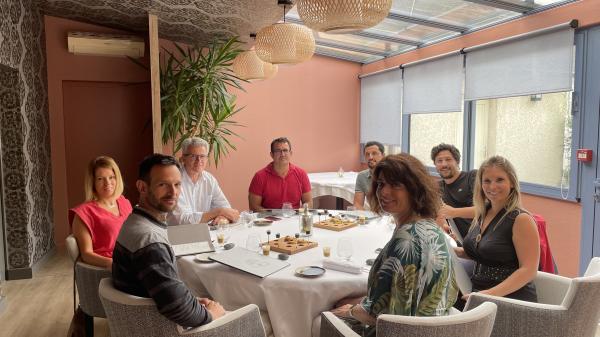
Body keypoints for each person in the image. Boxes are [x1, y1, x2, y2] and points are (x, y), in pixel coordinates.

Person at [331, 154, 458, 336]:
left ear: (414, 189)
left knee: (321, 317)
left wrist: (351, 311)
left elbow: (379, 316)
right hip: (437, 327)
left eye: (395, 185)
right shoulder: (431, 228)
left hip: (406, 331)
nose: (384, 192)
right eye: (381, 184)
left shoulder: (405, 242)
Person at [112, 154, 225, 327]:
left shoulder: (134, 221)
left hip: (145, 320)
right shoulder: (150, 241)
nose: (173, 192)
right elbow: (177, 309)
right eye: (163, 185)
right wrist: (211, 315)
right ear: (142, 187)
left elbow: (162, 290)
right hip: (160, 327)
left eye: (178, 184)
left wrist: (192, 302)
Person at [455, 155, 539, 303]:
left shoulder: (521, 219)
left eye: (499, 180)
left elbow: (529, 270)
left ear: (512, 183)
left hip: (510, 300)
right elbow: (481, 253)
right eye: (486, 181)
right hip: (479, 294)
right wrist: (444, 248)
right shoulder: (482, 213)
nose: (492, 187)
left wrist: (488, 295)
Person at [69, 156, 132, 270]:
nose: (107, 183)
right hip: (110, 269)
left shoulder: (124, 202)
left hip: (133, 260)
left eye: (111, 177)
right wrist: (114, 264)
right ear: (92, 182)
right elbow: (86, 254)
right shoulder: (83, 213)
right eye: (100, 179)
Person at [169, 137, 239, 225]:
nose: (199, 160)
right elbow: (183, 220)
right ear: (183, 158)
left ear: (207, 158)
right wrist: (218, 212)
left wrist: (222, 216)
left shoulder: (210, 179)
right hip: (179, 234)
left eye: (202, 156)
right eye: (193, 156)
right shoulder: (174, 180)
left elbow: (226, 208)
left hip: (206, 232)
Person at [248, 137, 312, 211]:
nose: (282, 154)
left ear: (290, 153)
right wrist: (273, 216)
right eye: (278, 151)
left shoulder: (301, 174)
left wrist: (300, 212)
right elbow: (254, 207)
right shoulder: (259, 176)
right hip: (269, 220)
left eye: (285, 150)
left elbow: (309, 202)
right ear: (272, 155)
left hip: (295, 219)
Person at [431, 143, 477, 239]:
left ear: (457, 161)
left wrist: (454, 212)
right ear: (435, 164)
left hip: (479, 241)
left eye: (448, 159)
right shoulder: (438, 187)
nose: (444, 164)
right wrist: (444, 226)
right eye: (439, 161)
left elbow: (485, 210)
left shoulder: (472, 177)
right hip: (458, 243)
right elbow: (440, 215)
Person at [353, 141, 384, 210]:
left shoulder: (392, 174)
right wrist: (366, 218)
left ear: (383, 155)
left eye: (374, 153)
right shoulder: (362, 176)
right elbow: (357, 204)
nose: (370, 157)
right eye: (367, 154)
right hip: (374, 217)